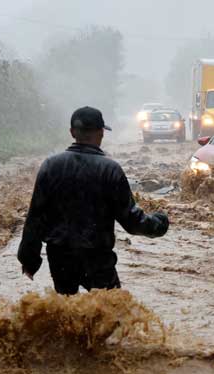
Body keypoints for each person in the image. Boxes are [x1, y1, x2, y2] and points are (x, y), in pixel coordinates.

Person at [17, 106, 169, 294]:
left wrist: (29, 260)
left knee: (67, 313)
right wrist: (158, 224)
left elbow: (35, 217)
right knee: (110, 312)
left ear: (72, 132)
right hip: (97, 258)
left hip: (60, 257)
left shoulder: (50, 166)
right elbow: (131, 220)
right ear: (101, 133)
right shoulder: (110, 169)